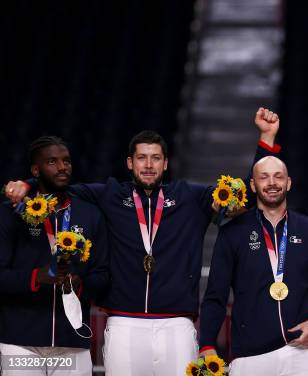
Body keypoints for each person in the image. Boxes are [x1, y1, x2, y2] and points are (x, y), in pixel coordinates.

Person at [4, 108, 281, 376]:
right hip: (124, 322)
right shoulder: (108, 195)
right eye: (142, 158)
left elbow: (242, 196)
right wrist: (28, 184)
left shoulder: (190, 198)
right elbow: (57, 183)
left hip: (177, 324)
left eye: (156, 158)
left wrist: (266, 140)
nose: (148, 165)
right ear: (129, 163)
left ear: (166, 163)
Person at [198, 156, 308, 375]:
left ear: (288, 183)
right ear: (253, 185)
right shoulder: (232, 233)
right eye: (264, 177)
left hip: (301, 353)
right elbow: (215, 296)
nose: (272, 183)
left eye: (278, 176)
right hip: (249, 356)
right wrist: (206, 344)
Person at [0, 136, 109, 375]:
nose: (62, 167)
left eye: (67, 161)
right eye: (52, 161)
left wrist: (81, 284)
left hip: (72, 343)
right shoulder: (12, 214)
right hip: (21, 342)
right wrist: (35, 278)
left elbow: (102, 275)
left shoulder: (90, 214)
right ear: (35, 170)